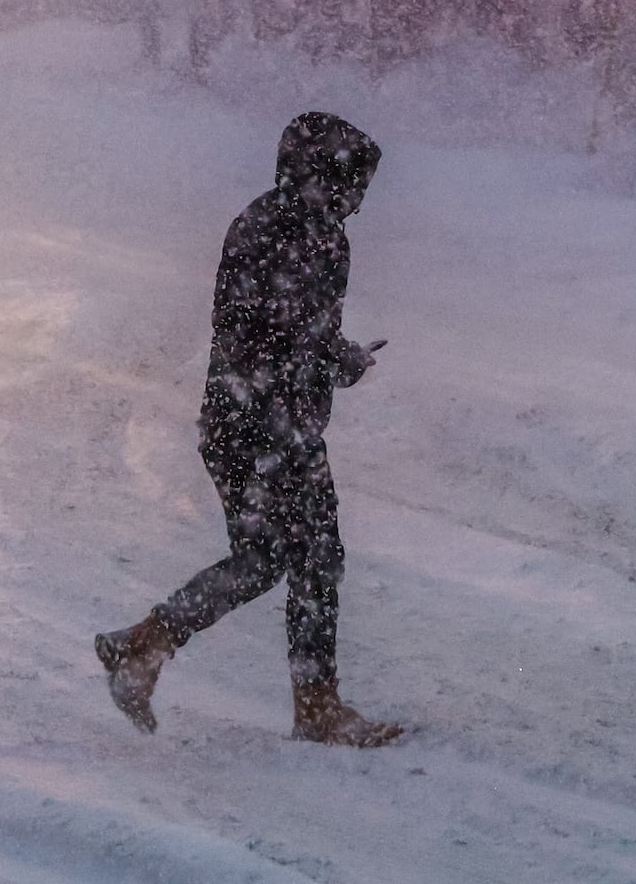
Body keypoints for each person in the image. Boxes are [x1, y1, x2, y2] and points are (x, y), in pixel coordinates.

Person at [94, 111, 404, 746]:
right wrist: (336, 358)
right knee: (312, 558)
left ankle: (145, 645)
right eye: (351, 186)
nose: (356, 203)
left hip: (250, 420)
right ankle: (315, 707)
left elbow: (281, 330)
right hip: (266, 424)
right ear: (323, 174)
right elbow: (272, 334)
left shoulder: (284, 224)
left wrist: (327, 355)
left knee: (269, 558)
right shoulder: (294, 232)